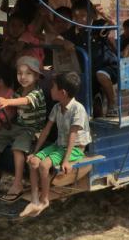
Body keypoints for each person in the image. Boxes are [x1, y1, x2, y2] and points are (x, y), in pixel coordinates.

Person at [0, 56, 46, 201]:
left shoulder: (37, 93)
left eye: (28, 74)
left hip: (32, 129)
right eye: (20, 73)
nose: (23, 77)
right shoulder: (19, 90)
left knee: (17, 148)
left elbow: (24, 101)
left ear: (37, 76)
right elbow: (11, 108)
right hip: (18, 126)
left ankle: (17, 183)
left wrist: (8, 101)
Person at [22, 72, 91, 217]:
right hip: (59, 145)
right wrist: (35, 151)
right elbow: (46, 131)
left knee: (44, 165)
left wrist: (66, 161)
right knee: (34, 162)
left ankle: (44, 199)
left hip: (75, 148)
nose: (50, 90)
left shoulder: (78, 109)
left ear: (63, 92)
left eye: (53, 87)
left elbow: (73, 136)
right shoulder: (57, 107)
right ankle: (34, 200)